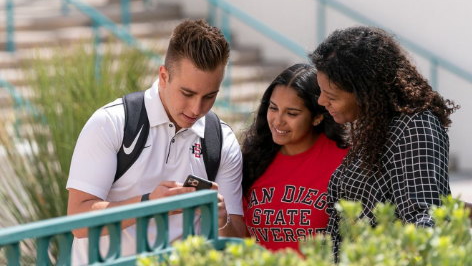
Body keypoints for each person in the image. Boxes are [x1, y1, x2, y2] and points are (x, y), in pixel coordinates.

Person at [66, 19, 245, 264]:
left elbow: (237, 242)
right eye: (187, 93)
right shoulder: (110, 122)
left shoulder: (222, 140)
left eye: (210, 96)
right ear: (163, 75)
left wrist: (221, 218)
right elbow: (78, 221)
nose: (196, 108)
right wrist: (148, 204)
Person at [310, 25, 459, 259]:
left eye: (331, 95)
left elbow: (424, 219)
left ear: (366, 90)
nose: (321, 101)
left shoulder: (414, 127)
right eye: (321, 91)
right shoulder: (374, 126)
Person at [241, 63, 349, 252]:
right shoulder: (252, 160)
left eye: (292, 113)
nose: (278, 121)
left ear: (317, 117)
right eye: (273, 108)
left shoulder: (344, 161)